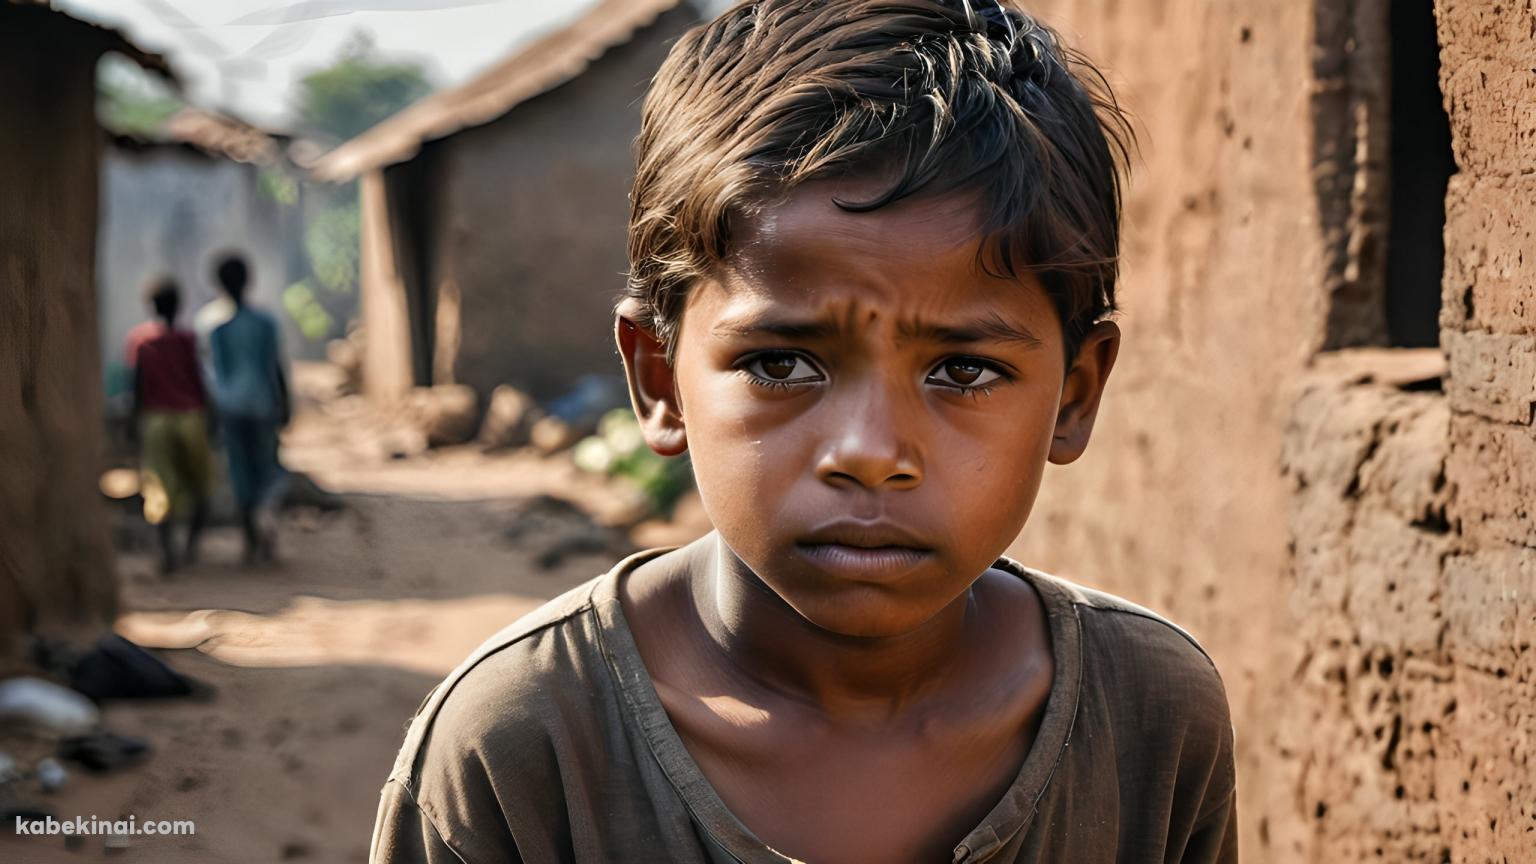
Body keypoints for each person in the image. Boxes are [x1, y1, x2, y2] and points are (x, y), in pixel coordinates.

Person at [372, 1, 1238, 861]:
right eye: (782, 365)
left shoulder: (1151, 721)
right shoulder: (523, 748)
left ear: (1075, 395)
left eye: (964, 371)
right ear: (660, 380)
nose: (868, 451)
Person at [125, 277, 213, 574]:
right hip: (189, 417)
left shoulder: (140, 341)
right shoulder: (188, 340)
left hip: (157, 420)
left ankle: (168, 553)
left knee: (159, 489)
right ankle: (190, 547)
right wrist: (209, 417)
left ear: (151, 306)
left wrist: (133, 421)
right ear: (179, 305)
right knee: (200, 485)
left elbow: (137, 385)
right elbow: (198, 380)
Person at [207, 253, 290, 564]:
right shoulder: (265, 323)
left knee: (240, 471)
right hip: (262, 404)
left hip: (231, 407)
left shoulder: (219, 330)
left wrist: (213, 412)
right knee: (267, 467)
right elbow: (274, 368)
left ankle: (250, 542)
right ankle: (266, 516)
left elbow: (218, 373)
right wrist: (285, 403)